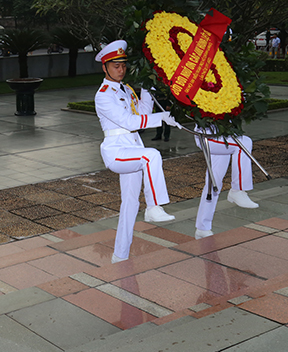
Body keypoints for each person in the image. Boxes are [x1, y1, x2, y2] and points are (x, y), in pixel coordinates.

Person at [94, 40, 178, 264]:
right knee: (152, 155)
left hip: (132, 149)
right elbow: (129, 121)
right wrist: (161, 118)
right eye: (115, 66)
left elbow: (141, 112)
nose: (121, 70)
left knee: (130, 203)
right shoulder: (103, 95)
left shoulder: (127, 89)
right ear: (105, 67)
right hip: (116, 151)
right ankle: (154, 206)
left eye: (123, 65)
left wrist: (146, 89)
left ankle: (119, 255)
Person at [194, 131, 258, 239]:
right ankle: (238, 190)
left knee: (213, 182)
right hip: (209, 137)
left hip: (225, 136)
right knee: (244, 143)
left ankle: (202, 227)